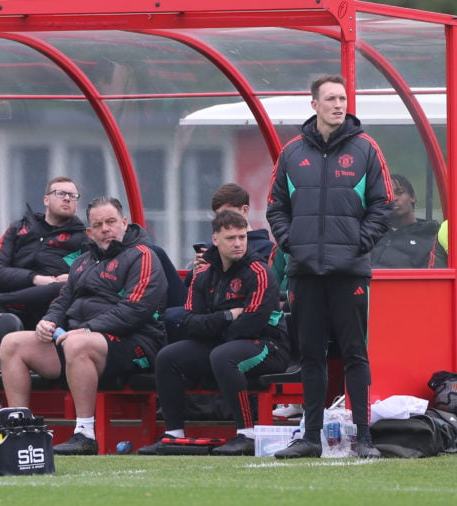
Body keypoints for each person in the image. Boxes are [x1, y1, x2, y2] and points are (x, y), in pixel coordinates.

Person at [266, 74, 392, 459]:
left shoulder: (367, 149)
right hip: (305, 272)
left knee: (355, 354)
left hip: (349, 272)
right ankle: (310, 438)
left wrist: (356, 245)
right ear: (314, 104)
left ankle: (364, 438)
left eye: (343, 98)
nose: (339, 105)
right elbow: (275, 208)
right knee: (310, 356)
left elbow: (382, 206)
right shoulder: (291, 154)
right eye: (331, 99)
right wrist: (293, 246)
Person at [0, 196, 167, 455]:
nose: (105, 229)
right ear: (89, 231)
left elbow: (135, 311)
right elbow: (62, 302)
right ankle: (20, 429)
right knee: (13, 343)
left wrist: (87, 328)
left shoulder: (143, 256)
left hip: (138, 344)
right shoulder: (82, 262)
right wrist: (48, 322)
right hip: (83, 342)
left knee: (77, 343)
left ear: (124, 222)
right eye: (98, 225)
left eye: (111, 222)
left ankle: (85, 433)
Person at [138, 210, 290, 456]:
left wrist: (211, 327)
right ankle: (173, 435)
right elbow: (188, 322)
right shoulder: (202, 273)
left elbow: (252, 324)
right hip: (222, 343)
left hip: (267, 345)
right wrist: (227, 316)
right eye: (231, 238)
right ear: (215, 239)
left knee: (222, 355)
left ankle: (246, 435)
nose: (239, 243)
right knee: (168, 357)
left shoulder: (260, 272)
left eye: (242, 237)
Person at [0, 177, 87, 329]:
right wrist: (36, 279)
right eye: (60, 193)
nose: (67, 199)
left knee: (64, 286)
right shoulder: (18, 229)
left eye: (73, 196)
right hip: (12, 308)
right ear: (46, 200)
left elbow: (92, 275)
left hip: (53, 310)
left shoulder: (84, 239)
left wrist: (72, 277)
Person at [164, 183, 276, 343]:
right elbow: (191, 288)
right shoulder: (214, 248)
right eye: (218, 216)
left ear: (244, 210)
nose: (223, 221)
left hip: (232, 304)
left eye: (227, 214)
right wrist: (197, 272)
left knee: (172, 317)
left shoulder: (265, 249)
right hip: (204, 299)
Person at [369, 174, 439, 268]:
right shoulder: (371, 235)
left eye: (399, 192)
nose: (394, 198)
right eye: (387, 194)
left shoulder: (431, 238)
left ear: (413, 197)